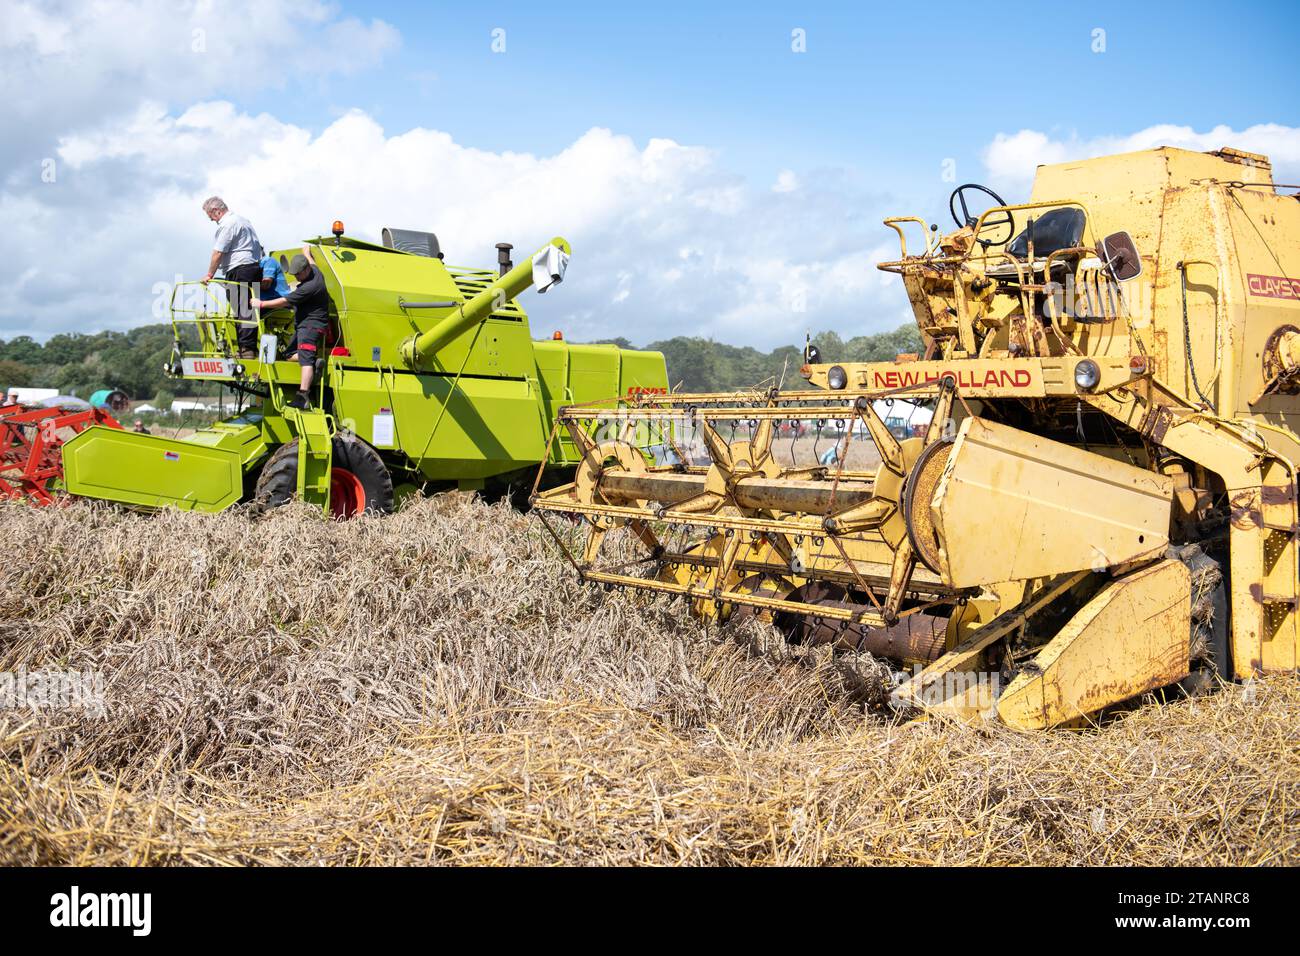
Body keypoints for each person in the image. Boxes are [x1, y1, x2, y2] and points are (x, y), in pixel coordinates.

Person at [252, 247, 332, 410]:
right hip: (304, 324)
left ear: (306, 271)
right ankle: (313, 361)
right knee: (289, 354)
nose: (296, 277)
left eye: (298, 274)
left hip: (311, 325)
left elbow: (284, 301)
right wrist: (306, 253)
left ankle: (303, 396)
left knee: (304, 357)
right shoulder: (315, 271)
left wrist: (261, 304)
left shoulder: (309, 287)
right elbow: (311, 262)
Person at [201, 196, 262, 357]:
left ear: (217, 211)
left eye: (210, 216)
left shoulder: (228, 224)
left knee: (242, 310)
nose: (211, 219)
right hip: (253, 267)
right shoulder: (244, 221)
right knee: (248, 308)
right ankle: (247, 348)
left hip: (239, 269)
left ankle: (247, 350)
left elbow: (218, 252)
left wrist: (209, 274)